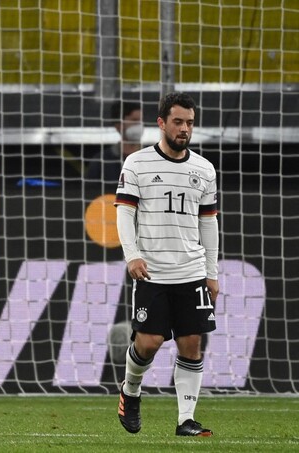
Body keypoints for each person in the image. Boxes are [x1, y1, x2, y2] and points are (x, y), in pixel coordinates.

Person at [114, 92, 219, 436]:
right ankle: (131, 390)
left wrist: (212, 273)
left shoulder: (204, 169)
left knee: (191, 343)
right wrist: (132, 254)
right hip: (153, 271)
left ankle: (186, 419)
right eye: (178, 122)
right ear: (161, 123)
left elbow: (209, 223)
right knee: (148, 343)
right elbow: (124, 213)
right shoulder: (137, 163)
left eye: (189, 122)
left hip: (191, 271)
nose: (184, 128)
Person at [86, 100, 143, 184]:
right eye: (134, 120)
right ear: (119, 125)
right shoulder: (101, 161)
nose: (139, 125)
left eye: (141, 121)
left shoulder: (153, 156)